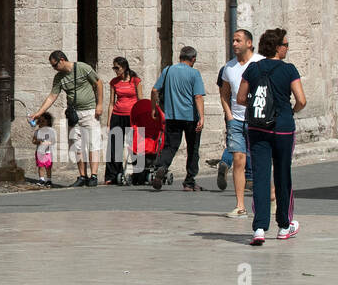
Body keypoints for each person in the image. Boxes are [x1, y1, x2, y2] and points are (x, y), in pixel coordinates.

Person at [238, 28, 305, 244]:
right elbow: (301, 100)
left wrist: (260, 108)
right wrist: (290, 111)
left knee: (260, 177)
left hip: (257, 128)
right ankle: (284, 225)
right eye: (285, 44)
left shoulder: (253, 68)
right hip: (283, 128)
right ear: (277, 47)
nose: (287, 48)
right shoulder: (289, 70)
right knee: (283, 176)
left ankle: (259, 228)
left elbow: (240, 98)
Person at [30, 51, 103, 187]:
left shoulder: (82, 68)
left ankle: (93, 175)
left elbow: (98, 83)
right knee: (77, 145)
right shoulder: (59, 78)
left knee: (93, 144)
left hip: (90, 111)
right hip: (74, 114)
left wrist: (99, 104)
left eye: (55, 65)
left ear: (62, 60)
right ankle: (82, 175)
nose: (54, 68)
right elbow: (52, 96)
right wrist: (39, 113)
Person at [217, 29, 264, 216]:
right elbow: (224, 94)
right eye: (233, 40)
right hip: (236, 120)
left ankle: (271, 196)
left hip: (257, 119)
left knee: (260, 161)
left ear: (249, 43)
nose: (234, 44)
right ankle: (240, 206)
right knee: (238, 160)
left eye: (238, 40)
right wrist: (229, 115)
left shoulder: (260, 63)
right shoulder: (229, 68)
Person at [150, 46, 206, 191]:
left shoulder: (167, 70)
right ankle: (189, 182)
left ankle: (162, 166)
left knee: (170, 146)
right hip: (190, 117)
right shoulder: (194, 73)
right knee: (193, 149)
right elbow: (198, 96)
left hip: (172, 116)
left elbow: (155, 90)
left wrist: (154, 108)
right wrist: (202, 117)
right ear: (193, 59)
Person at [104, 57, 143, 185]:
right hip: (117, 114)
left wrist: (141, 118)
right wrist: (109, 121)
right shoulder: (114, 82)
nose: (115, 70)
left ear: (124, 67)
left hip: (132, 116)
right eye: (113, 68)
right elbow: (111, 103)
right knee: (114, 146)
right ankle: (112, 176)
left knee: (135, 145)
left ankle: (138, 175)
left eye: (117, 68)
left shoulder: (135, 81)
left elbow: (140, 101)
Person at [33, 112, 56, 186]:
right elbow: (33, 140)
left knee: (48, 167)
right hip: (39, 152)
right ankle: (41, 179)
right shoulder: (37, 131)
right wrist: (38, 141)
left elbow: (53, 141)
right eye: (40, 121)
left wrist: (47, 143)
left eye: (43, 121)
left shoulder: (51, 131)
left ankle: (49, 180)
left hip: (48, 152)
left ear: (48, 122)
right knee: (41, 166)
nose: (41, 123)